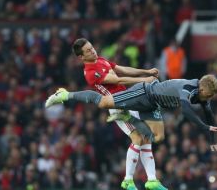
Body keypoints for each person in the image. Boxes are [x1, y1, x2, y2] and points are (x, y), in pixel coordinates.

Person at [70, 38, 167, 190]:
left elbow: (122, 70)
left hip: (129, 100)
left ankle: (152, 180)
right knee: (137, 137)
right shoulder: (90, 73)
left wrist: (145, 71)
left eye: (92, 47)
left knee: (147, 137)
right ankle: (127, 180)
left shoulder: (100, 60)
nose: (93, 51)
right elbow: (118, 79)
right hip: (117, 105)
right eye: (88, 51)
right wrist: (144, 80)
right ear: (81, 57)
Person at [46, 74, 217, 154]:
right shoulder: (189, 87)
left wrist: (212, 142)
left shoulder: (202, 96)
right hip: (144, 93)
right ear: (202, 88)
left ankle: (126, 117)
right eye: (208, 95)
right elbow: (186, 110)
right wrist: (204, 126)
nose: (208, 99)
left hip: (153, 104)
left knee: (159, 137)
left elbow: (210, 116)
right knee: (103, 102)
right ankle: (65, 94)